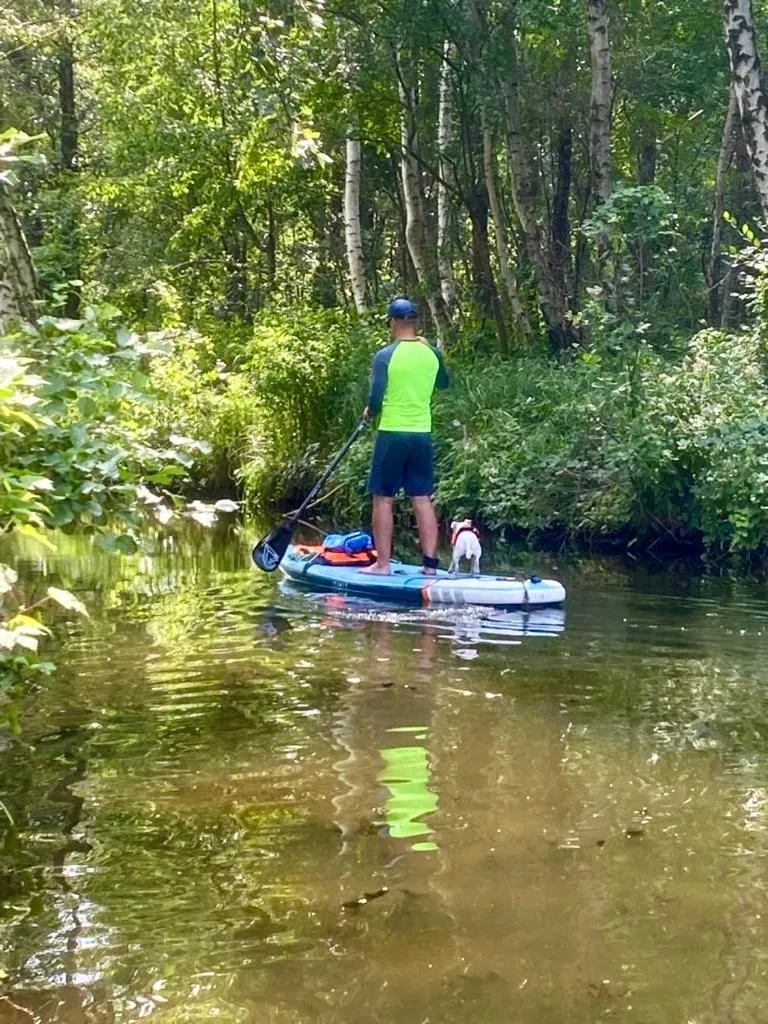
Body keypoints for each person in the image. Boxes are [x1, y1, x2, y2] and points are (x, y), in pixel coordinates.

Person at [363, 297, 449, 575]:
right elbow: (444, 383)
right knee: (422, 497)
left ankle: (383, 565)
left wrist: (369, 412)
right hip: (422, 433)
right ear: (414, 322)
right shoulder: (432, 353)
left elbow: (376, 401)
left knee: (383, 497)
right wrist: (429, 351)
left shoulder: (385, 356)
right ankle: (430, 566)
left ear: (393, 321)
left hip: (392, 432)